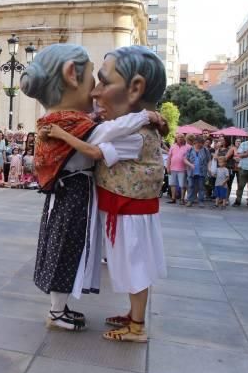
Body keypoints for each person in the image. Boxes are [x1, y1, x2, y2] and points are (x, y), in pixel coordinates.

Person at [23, 44, 163, 334]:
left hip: (73, 195)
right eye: (92, 80)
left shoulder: (68, 121)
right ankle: (57, 310)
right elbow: (105, 135)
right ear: (71, 75)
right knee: (65, 251)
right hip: (72, 195)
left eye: (103, 82)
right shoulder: (71, 124)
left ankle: (61, 308)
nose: (96, 91)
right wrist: (145, 116)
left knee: (69, 251)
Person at [184, 136, 210, 208]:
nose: (199, 145)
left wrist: (209, 169)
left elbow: (209, 160)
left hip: (202, 172)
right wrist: (190, 164)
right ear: (195, 142)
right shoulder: (190, 150)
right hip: (191, 172)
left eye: (201, 143)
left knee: (201, 187)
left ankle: (201, 201)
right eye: (198, 143)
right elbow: (185, 159)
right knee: (190, 186)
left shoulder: (205, 150)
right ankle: (190, 201)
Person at [166, 134, 190, 204]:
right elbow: (169, 158)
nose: (180, 138)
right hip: (172, 168)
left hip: (183, 169)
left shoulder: (188, 147)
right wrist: (168, 167)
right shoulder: (173, 146)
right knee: (172, 184)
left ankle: (182, 199)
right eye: (178, 137)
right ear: (176, 138)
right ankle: (173, 198)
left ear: (184, 138)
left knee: (182, 185)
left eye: (182, 137)